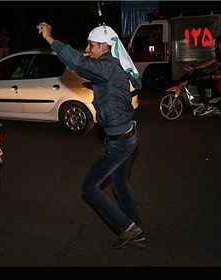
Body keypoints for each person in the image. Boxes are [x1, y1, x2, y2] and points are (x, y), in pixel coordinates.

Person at [37, 22, 144, 249]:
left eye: (92, 44)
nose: (88, 48)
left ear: (104, 46)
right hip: (127, 134)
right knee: (121, 185)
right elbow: (87, 65)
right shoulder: (112, 64)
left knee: (89, 187)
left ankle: (127, 228)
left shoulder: (108, 66)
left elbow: (78, 63)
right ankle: (136, 228)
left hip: (120, 142)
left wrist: (49, 38)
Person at [185, 35, 221, 115]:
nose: (214, 44)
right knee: (207, 80)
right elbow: (215, 65)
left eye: (215, 43)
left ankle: (208, 106)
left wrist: (196, 68)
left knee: (200, 84)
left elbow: (210, 61)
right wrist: (205, 70)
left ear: (219, 43)